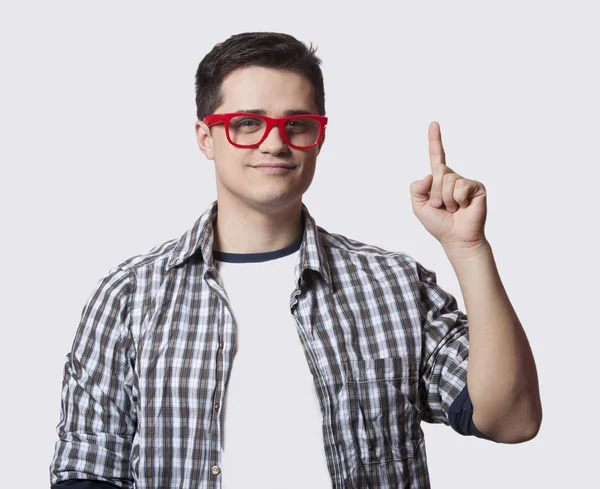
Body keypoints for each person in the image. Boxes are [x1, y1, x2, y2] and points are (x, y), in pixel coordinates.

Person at [49, 31, 542, 489]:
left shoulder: (393, 286)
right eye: (247, 123)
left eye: (297, 124)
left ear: (319, 137)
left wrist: (468, 250)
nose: (275, 142)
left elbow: (512, 419)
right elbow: (88, 470)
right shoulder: (129, 298)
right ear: (205, 137)